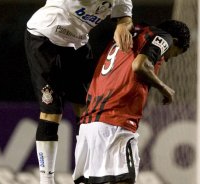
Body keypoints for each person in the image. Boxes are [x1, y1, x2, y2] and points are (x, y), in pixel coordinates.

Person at [24, 1, 133, 184]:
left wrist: (122, 25)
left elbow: (125, 17)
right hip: (44, 37)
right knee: (52, 112)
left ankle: (87, 173)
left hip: (77, 44)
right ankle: (46, 179)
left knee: (88, 111)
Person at [72, 19, 190, 184]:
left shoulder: (129, 34)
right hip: (115, 123)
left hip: (89, 126)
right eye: (174, 53)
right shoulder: (163, 37)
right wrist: (164, 88)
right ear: (175, 41)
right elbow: (139, 65)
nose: (168, 58)